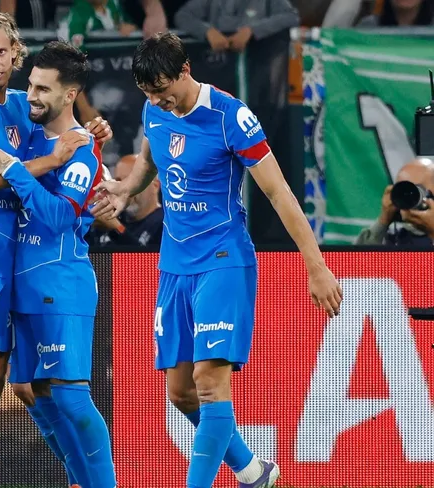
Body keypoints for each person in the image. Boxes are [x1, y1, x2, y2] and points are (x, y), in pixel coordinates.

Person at [91, 32, 343, 488]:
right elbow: (150, 159)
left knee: (209, 383)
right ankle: (252, 471)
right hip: (174, 263)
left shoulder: (230, 117)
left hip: (223, 258)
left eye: (163, 90)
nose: (158, 101)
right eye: (149, 94)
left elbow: (278, 192)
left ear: (185, 70)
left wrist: (316, 265)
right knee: (180, 392)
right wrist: (126, 189)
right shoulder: (154, 109)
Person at [0, 10, 105, 488]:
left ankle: (62, 478)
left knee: (14, 387)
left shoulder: (22, 108)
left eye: (2, 53)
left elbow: (57, 154)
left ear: (15, 55)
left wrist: (92, 139)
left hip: (21, 269)